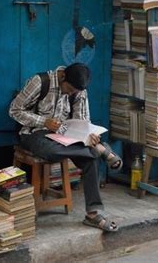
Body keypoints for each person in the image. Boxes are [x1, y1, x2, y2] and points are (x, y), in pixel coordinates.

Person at [9, 63, 121, 232]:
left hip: (67, 136)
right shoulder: (40, 82)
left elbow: (83, 121)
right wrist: (44, 122)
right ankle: (100, 148)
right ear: (62, 77)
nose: (70, 94)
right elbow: (14, 110)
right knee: (53, 152)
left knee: (91, 159)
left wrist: (89, 135)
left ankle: (92, 214)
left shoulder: (79, 91)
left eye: (74, 92)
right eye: (68, 89)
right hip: (35, 133)